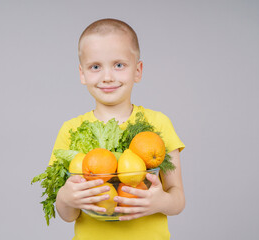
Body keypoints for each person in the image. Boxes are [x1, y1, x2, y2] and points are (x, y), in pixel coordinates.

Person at [49, 18, 185, 240]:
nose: (108, 77)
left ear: (138, 70)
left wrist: (160, 201)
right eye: (95, 67)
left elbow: (178, 199)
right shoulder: (70, 129)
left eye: (119, 65)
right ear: (82, 73)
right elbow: (68, 214)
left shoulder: (158, 124)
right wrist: (66, 198)